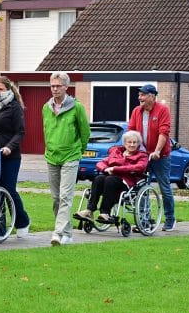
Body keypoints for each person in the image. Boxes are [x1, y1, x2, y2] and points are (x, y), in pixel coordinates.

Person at [42, 72, 90, 246]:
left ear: (66, 87)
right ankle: (67, 233)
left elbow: (85, 132)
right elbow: (46, 130)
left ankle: (57, 232)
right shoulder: (46, 108)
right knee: (56, 198)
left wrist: (79, 151)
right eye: (52, 86)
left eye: (58, 86)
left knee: (65, 196)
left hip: (71, 156)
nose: (54, 89)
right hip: (52, 156)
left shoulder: (77, 107)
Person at [0, 75, 32, 238]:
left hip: (10, 156)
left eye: (0, 89)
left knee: (8, 189)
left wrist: (9, 147)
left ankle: (22, 221)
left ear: (8, 90)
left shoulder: (14, 107)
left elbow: (20, 132)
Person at [127, 84, 176, 231]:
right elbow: (131, 132)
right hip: (143, 156)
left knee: (164, 187)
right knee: (142, 187)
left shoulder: (162, 110)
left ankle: (170, 219)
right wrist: (129, 150)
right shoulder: (136, 111)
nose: (139, 97)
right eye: (139, 95)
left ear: (152, 97)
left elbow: (164, 132)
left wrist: (157, 151)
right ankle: (144, 221)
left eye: (143, 95)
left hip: (161, 157)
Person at [74, 130, 148, 223]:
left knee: (110, 179)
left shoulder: (142, 156)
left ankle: (105, 212)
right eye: (129, 142)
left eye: (135, 142)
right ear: (124, 143)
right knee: (99, 178)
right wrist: (105, 169)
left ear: (138, 144)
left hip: (126, 182)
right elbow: (100, 163)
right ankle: (89, 210)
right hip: (110, 180)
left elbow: (139, 167)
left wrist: (115, 169)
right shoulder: (117, 152)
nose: (132, 145)